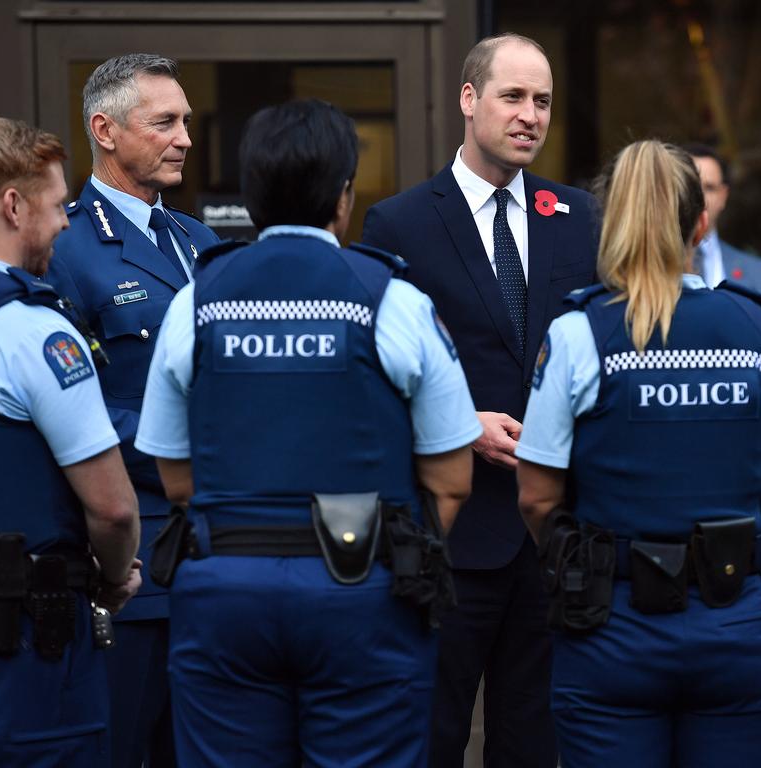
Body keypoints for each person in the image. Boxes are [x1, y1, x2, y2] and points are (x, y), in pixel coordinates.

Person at [135, 98, 480, 767]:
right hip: (364, 596)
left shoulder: (195, 300)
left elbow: (174, 474)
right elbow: (453, 480)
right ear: (345, 196)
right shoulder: (393, 299)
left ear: (250, 195)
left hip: (225, 592)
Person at [515, 140, 761, 768]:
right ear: (701, 224)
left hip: (610, 626)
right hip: (736, 622)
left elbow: (538, 498)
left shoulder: (577, 335)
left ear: (612, 224)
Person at [362, 33, 598, 767]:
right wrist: (458, 424)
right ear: (469, 100)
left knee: (534, 743)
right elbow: (378, 374)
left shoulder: (579, 216)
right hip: (452, 536)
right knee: (431, 736)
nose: (531, 115)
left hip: (555, 533)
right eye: (514, 97)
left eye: (544, 101)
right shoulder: (398, 223)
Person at [44, 53, 220, 768]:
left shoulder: (199, 243)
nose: (185, 138)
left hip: (213, 560)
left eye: (187, 121)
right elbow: (72, 411)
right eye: (165, 122)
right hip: (131, 562)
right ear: (105, 130)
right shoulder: (65, 246)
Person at [0, 117, 141, 765]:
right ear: (13, 205)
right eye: (56, 207)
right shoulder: (35, 333)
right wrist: (114, 579)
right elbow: (111, 507)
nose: (63, 224)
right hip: (29, 643)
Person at [683, 143, 761, 327]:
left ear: (724, 195)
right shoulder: (650, 268)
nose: (699, 197)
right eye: (691, 187)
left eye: (708, 187)